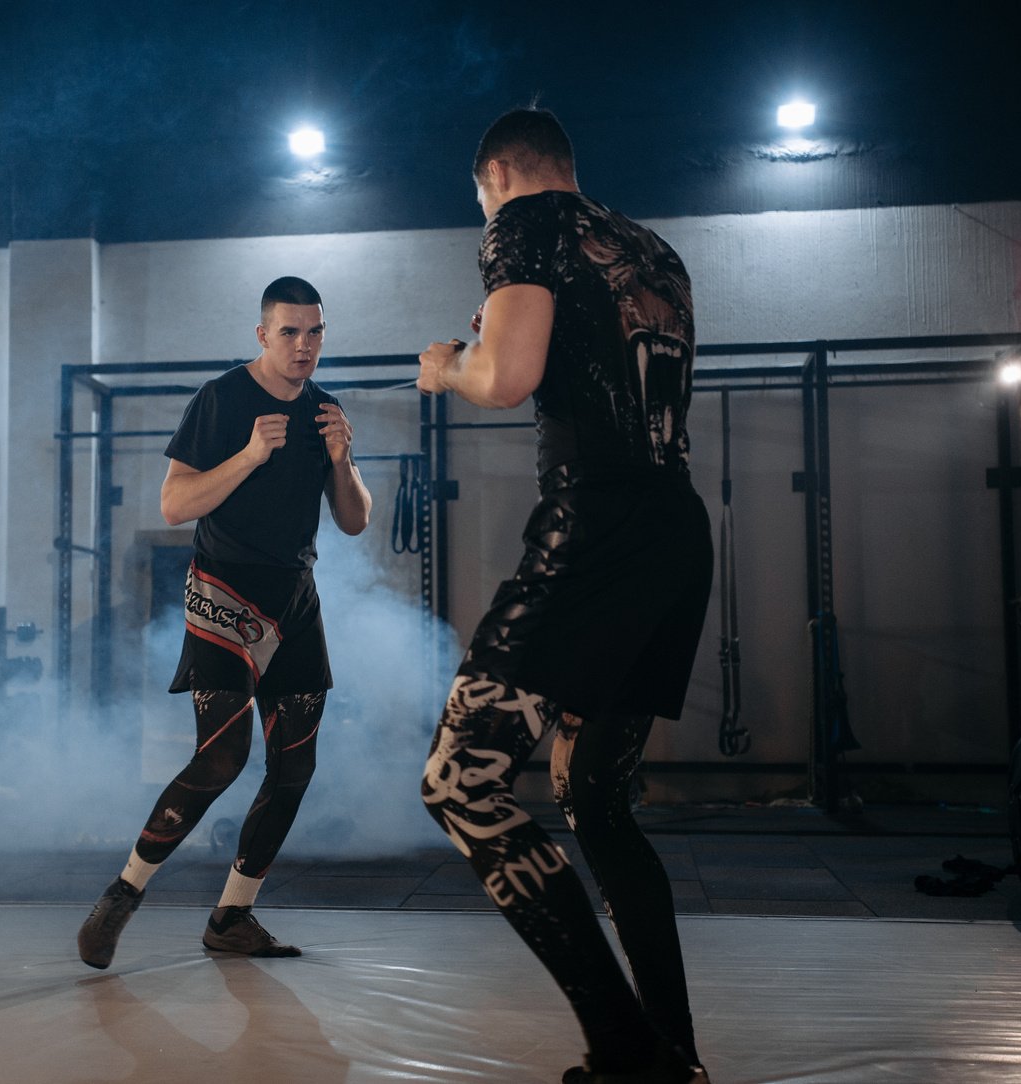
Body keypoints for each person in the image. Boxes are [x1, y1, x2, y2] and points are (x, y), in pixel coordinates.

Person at [416, 109, 714, 1084]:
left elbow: (506, 378)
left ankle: (628, 1051)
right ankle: (677, 1057)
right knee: (594, 796)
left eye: (481, 199)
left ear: (497, 176)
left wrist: (450, 369)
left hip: (596, 536)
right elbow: (601, 367)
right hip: (675, 533)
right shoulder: (650, 247)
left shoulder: (523, 223)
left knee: (460, 781)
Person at [77, 276, 372, 965]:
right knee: (222, 756)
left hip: (294, 598)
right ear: (263, 334)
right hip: (223, 591)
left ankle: (233, 915)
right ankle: (123, 893)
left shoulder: (326, 409)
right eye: (290, 332)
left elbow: (354, 521)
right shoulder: (221, 398)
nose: (304, 346)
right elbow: (175, 506)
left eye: (316, 332)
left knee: (295, 768)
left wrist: (343, 458)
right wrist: (247, 454)